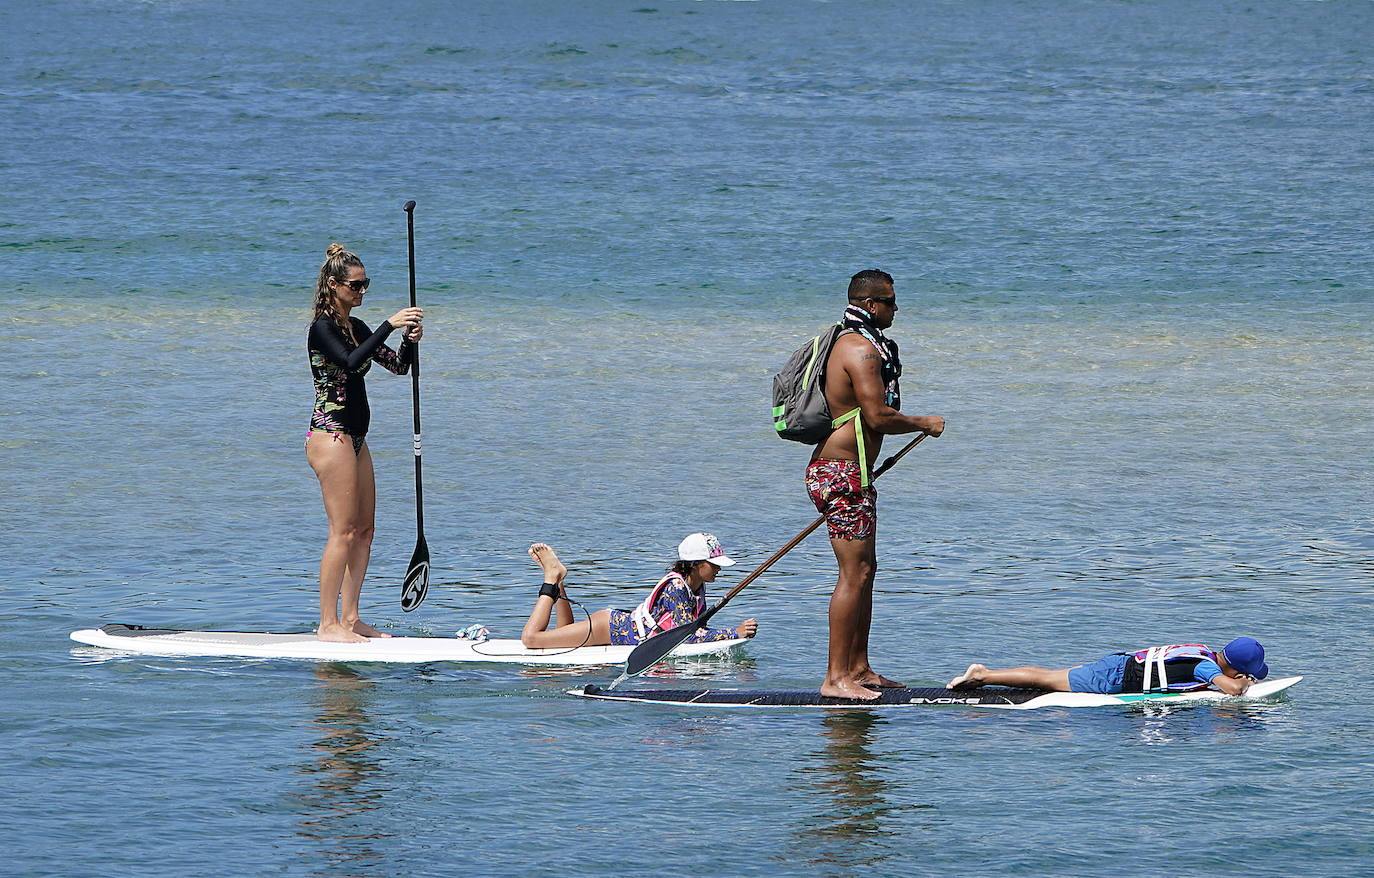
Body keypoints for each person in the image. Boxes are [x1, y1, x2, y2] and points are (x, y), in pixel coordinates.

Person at [807, 269, 944, 700]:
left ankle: (859, 668)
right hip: (839, 473)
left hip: (854, 473)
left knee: (866, 572)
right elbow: (876, 416)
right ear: (869, 304)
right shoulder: (858, 349)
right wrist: (925, 422)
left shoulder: (860, 343)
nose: (895, 309)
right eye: (889, 301)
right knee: (853, 573)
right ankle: (835, 679)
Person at [306, 242, 425, 643]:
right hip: (330, 433)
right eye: (356, 286)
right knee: (342, 531)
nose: (362, 293)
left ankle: (352, 618)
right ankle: (327, 625)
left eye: (366, 285)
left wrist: (409, 338)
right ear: (335, 285)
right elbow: (352, 361)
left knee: (365, 530)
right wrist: (389, 325)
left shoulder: (355, 327)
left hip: (357, 438)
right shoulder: (322, 328)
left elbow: (398, 366)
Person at [520, 533, 758, 649]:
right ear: (696, 564)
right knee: (532, 640)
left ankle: (560, 581)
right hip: (610, 629)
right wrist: (733, 632)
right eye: (714, 564)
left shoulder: (697, 586)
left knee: (562, 635)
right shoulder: (675, 588)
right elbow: (687, 636)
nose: (719, 569)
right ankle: (551, 578)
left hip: (617, 625)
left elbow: (695, 629)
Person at [947, 637, 1270, 696]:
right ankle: (983, 674)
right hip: (1115, 678)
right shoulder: (1204, 668)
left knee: (1051, 676)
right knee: (1046, 680)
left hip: (1119, 663)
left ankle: (985, 673)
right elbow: (1230, 689)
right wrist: (1243, 685)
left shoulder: (1201, 650)